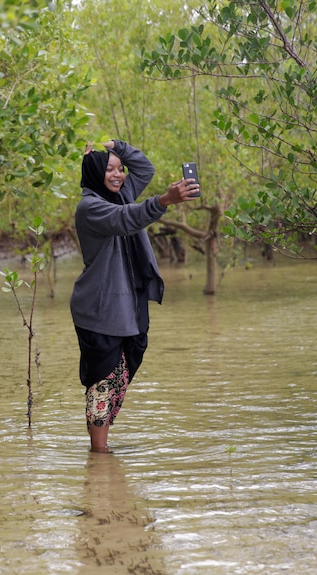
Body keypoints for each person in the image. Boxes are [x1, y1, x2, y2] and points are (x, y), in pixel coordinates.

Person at [70, 139, 200, 453]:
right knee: (103, 379)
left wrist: (118, 146)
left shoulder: (122, 194)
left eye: (120, 169)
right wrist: (165, 200)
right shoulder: (91, 208)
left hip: (129, 303)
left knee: (121, 375)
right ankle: (99, 456)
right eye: (110, 170)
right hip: (100, 309)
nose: (119, 175)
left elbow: (145, 168)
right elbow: (127, 220)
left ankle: (101, 449)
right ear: (94, 174)